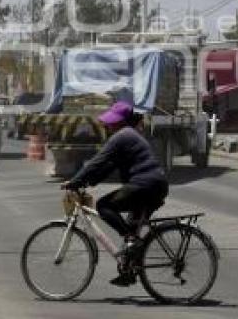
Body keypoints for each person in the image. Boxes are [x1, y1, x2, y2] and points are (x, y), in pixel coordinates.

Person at [62, 100, 168, 287]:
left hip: (146, 184)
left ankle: (132, 240)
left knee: (104, 205)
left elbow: (97, 161)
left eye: (112, 122)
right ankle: (129, 271)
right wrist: (86, 182)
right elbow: (107, 166)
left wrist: (74, 181)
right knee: (131, 228)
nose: (108, 125)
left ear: (120, 122)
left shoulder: (122, 136)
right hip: (153, 184)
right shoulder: (129, 135)